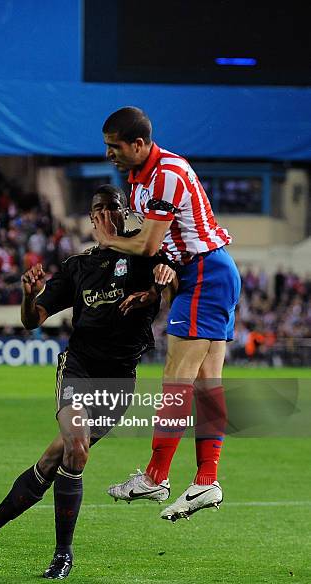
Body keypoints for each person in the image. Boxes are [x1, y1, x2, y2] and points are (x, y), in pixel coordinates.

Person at [0, 185, 176, 579]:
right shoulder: (77, 267)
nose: (105, 214)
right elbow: (31, 319)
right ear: (91, 218)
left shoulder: (149, 257)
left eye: (113, 208)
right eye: (98, 209)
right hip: (80, 368)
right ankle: (63, 555)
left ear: (126, 214)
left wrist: (166, 280)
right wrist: (28, 295)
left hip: (119, 381)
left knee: (57, 460)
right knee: (76, 446)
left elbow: (172, 292)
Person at [93, 107, 241, 522]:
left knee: (177, 381)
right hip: (205, 272)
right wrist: (168, 263)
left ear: (138, 144)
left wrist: (108, 241)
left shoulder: (166, 173)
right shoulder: (140, 178)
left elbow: (146, 243)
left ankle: (157, 477)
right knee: (207, 384)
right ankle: (206, 481)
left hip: (206, 275)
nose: (110, 154)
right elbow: (161, 243)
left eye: (115, 146)